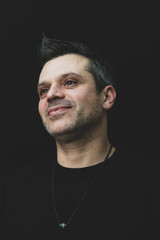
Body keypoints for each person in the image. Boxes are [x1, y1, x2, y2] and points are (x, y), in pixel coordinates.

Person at [0, 35, 154, 239]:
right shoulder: (11, 192)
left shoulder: (151, 185)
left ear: (106, 97)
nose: (51, 95)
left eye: (69, 82)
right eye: (43, 90)